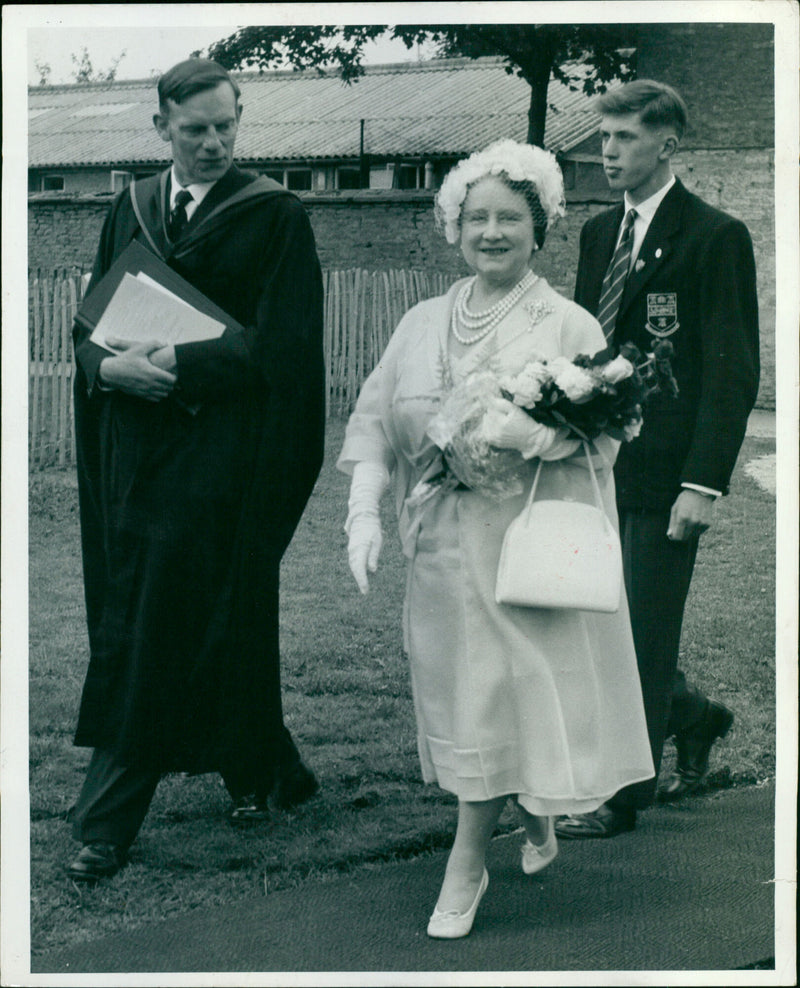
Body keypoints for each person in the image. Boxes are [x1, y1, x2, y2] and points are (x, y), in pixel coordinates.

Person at [337, 140, 654, 938]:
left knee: (495, 697)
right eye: (475, 216)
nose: (491, 231)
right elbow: (377, 420)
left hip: (525, 551)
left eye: (509, 217)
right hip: (440, 548)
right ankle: (531, 803)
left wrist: (539, 436)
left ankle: (466, 864)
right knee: (466, 698)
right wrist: (363, 511)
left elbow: (614, 430)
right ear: (453, 227)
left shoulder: (568, 320)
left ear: (538, 227)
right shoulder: (420, 321)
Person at [67, 58, 325, 882]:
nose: (214, 143)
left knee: (161, 620)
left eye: (226, 126)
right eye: (194, 130)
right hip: (133, 457)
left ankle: (105, 820)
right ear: (161, 129)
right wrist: (104, 371)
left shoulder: (275, 214)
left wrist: (177, 361)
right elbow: (93, 322)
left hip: (222, 460)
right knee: (205, 614)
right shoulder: (131, 207)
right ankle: (264, 770)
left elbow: (282, 349)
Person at [555, 81, 760, 841]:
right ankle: (695, 719)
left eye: (625, 139)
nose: (607, 152)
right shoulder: (596, 234)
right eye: (603, 137)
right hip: (594, 465)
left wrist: (701, 483)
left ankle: (619, 796)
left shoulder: (714, 236)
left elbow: (732, 372)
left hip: (666, 474)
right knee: (592, 624)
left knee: (638, 633)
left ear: (666, 145)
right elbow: (588, 346)